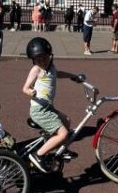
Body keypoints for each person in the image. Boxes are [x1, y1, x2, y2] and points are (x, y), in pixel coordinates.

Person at [23, 37, 80, 173]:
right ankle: (38, 155)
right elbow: (25, 88)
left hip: (48, 107)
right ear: (33, 60)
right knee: (63, 134)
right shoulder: (36, 69)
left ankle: (61, 149)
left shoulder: (51, 67)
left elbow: (57, 74)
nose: (41, 61)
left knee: (66, 120)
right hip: (39, 110)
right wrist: (30, 91)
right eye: (37, 59)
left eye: (44, 58)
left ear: (49, 56)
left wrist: (73, 76)